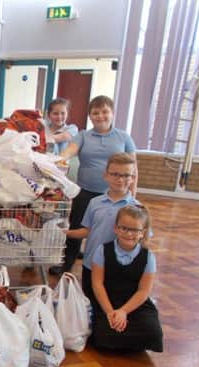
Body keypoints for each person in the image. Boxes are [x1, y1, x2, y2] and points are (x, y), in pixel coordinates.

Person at [51, 95, 137, 275]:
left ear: (112, 113)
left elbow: (134, 170)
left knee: (111, 231)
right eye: (95, 112)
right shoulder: (83, 135)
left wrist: (132, 197)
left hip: (116, 195)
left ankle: (110, 265)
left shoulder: (124, 138)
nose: (100, 116)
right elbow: (69, 151)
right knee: (76, 227)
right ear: (90, 116)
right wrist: (56, 160)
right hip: (84, 192)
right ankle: (67, 264)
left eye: (105, 111)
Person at [64, 153, 140, 299]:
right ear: (106, 175)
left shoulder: (137, 209)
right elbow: (87, 231)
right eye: (115, 174)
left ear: (132, 178)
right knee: (89, 299)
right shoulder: (95, 203)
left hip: (117, 268)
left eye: (126, 175)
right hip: (90, 263)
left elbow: (141, 243)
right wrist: (65, 232)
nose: (120, 179)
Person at [90, 205, 163, 352]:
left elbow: (143, 291)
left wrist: (123, 312)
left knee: (154, 333)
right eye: (124, 228)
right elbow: (97, 284)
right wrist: (110, 312)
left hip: (134, 302)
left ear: (143, 233)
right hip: (108, 300)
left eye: (135, 230)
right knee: (102, 335)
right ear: (115, 228)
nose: (129, 234)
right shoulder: (102, 250)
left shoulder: (148, 257)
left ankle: (125, 339)